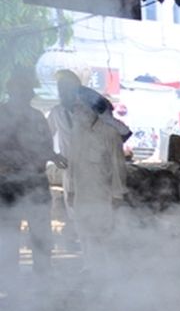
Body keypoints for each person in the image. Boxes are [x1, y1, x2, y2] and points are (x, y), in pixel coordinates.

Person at [49, 69, 129, 253]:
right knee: (78, 218)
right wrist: (54, 156)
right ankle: (87, 259)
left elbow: (122, 136)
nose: (63, 92)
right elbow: (45, 136)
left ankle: (101, 261)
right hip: (71, 172)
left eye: (67, 87)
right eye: (60, 88)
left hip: (98, 174)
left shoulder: (95, 115)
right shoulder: (57, 112)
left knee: (102, 225)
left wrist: (102, 131)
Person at [0, 68, 55, 286]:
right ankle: (8, 278)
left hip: (35, 182)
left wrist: (45, 158)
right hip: (7, 185)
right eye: (22, 91)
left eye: (27, 91)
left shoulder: (37, 117)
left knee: (41, 232)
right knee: (7, 233)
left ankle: (43, 276)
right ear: (11, 92)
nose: (26, 95)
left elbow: (47, 147)